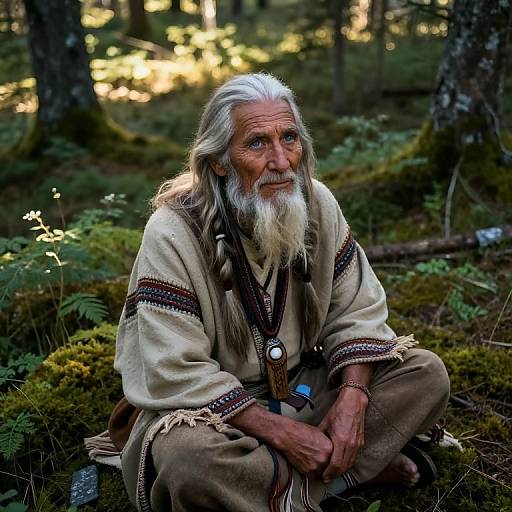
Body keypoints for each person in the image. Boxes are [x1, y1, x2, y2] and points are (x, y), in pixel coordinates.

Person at [114, 73, 450, 512]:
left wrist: (353, 399)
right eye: (256, 143)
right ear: (218, 161)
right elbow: (173, 369)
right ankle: (342, 478)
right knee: (186, 461)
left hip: (303, 389)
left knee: (425, 375)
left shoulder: (317, 203)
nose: (281, 161)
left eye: (289, 138)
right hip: (216, 415)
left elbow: (358, 312)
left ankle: (280, 487)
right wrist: (283, 435)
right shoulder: (172, 233)